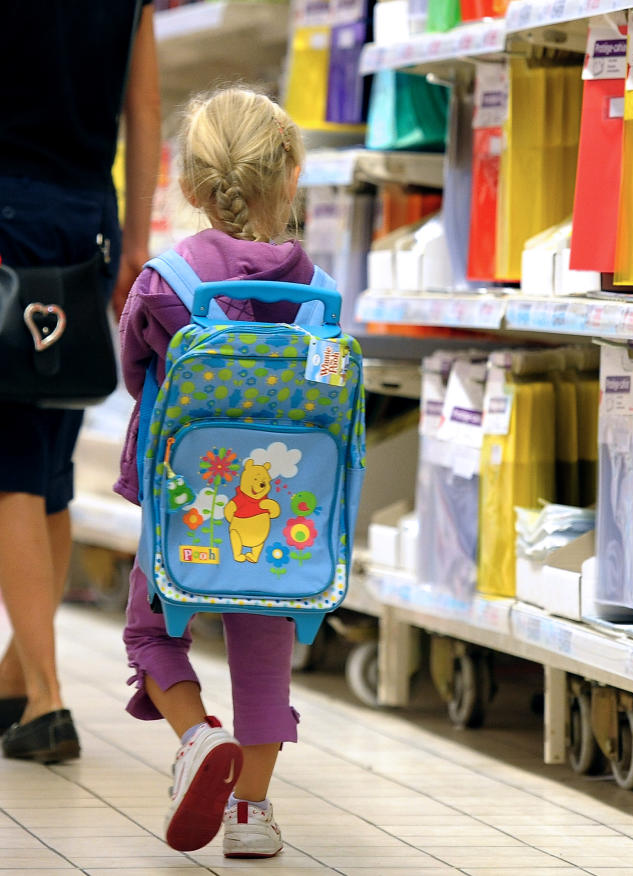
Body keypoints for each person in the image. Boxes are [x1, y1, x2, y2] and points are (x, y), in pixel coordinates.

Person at [115, 87, 318, 859]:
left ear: (191, 185)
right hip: (282, 515)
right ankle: (252, 818)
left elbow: (138, 374)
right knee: (263, 656)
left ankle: (198, 739)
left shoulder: (168, 283)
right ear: (289, 177)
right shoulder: (312, 292)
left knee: (151, 631)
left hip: (186, 505)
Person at [0, 1, 160, 762]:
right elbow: (145, 107)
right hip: (89, 223)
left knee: (11, 471)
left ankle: (46, 699)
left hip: (8, 213)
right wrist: (135, 243)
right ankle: (14, 677)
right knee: (50, 470)